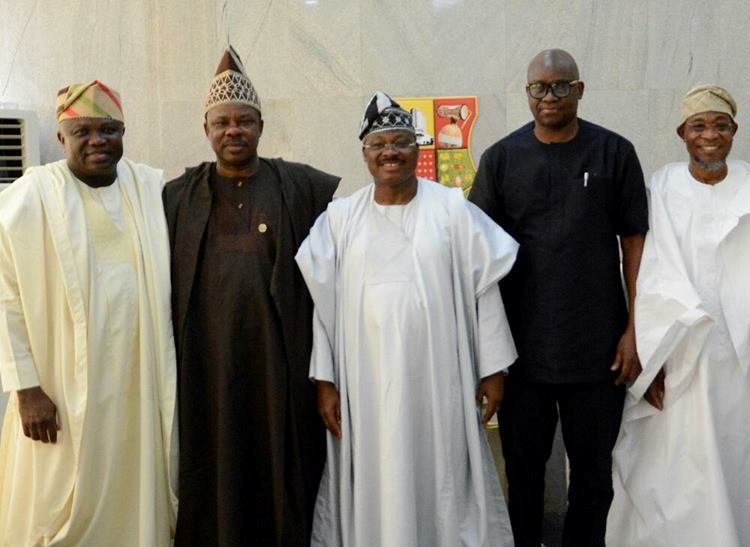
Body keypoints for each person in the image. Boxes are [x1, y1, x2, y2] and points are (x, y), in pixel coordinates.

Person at [296, 91, 517, 547]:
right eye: (379, 145)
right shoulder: (339, 220)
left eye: (400, 142)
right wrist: (325, 382)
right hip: (365, 388)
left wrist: (494, 370)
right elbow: (324, 306)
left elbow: (485, 290)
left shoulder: (453, 210)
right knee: (378, 475)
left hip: (441, 382)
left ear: (417, 148)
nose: (390, 153)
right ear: (365, 154)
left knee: (442, 474)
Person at [606, 85, 750, 547]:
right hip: (678, 352)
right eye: (699, 126)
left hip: (744, 356)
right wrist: (649, 353)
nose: (710, 135)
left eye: (721, 125)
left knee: (738, 456)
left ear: (734, 132)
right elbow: (646, 272)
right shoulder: (660, 187)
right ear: (682, 134)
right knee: (673, 461)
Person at [469, 49, 647, 547]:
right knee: (523, 475)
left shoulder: (614, 152)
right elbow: (476, 254)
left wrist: (636, 329)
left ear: (580, 90)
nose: (549, 97)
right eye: (539, 88)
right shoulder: (501, 159)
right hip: (522, 355)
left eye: (560, 86)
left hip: (599, 352)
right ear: (527, 94)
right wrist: (489, 356)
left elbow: (635, 241)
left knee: (593, 479)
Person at [164, 46, 340, 547]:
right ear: (206, 130)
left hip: (281, 367)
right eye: (222, 123)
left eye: (244, 121)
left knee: (282, 464)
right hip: (207, 369)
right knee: (215, 465)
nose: (233, 131)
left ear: (261, 126)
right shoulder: (177, 196)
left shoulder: (301, 186)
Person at [0, 81, 177, 545]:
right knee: (56, 500)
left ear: (124, 132)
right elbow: (5, 295)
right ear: (61, 138)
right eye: (84, 131)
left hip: (137, 388)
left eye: (110, 130)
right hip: (58, 387)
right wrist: (25, 388)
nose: (98, 140)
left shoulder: (149, 188)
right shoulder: (29, 198)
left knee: (132, 489)